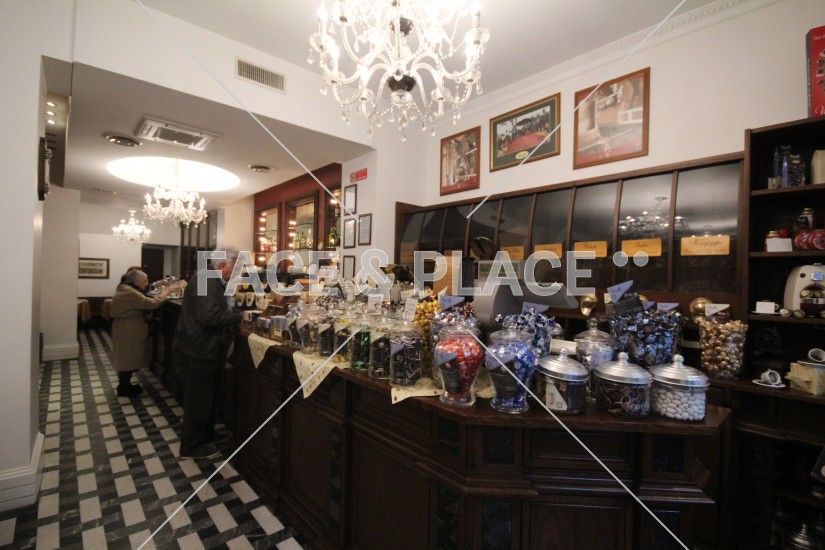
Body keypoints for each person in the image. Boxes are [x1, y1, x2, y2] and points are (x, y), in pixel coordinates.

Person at [173, 247, 242, 460]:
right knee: (198, 399)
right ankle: (192, 446)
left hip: (201, 347)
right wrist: (242, 316)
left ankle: (207, 434)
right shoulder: (207, 280)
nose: (238, 271)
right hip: (198, 348)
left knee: (207, 397)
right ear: (222, 265)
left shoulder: (210, 280)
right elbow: (209, 317)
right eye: (236, 267)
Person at [110, 270, 173, 397]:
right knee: (127, 359)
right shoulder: (129, 292)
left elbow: (145, 294)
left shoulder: (126, 288)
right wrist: (167, 292)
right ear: (136, 281)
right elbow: (152, 303)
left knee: (128, 357)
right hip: (127, 329)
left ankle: (125, 385)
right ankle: (124, 388)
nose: (147, 283)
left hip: (126, 328)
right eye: (144, 280)